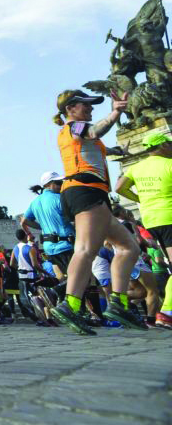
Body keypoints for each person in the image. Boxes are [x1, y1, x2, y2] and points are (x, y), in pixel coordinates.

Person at [50, 89, 145, 332]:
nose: (91, 108)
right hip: (84, 191)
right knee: (86, 249)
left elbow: (95, 146)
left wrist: (116, 152)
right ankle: (70, 304)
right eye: (86, 105)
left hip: (92, 193)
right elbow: (92, 132)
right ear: (70, 108)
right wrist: (115, 113)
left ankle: (118, 303)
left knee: (128, 248)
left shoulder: (79, 133)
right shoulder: (73, 128)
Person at [115, 130, 172, 329]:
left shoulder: (137, 168)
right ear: (163, 145)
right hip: (169, 216)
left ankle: (165, 313)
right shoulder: (169, 164)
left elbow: (120, 187)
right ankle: (166, 313)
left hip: (150, 219)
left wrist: (140, 199)